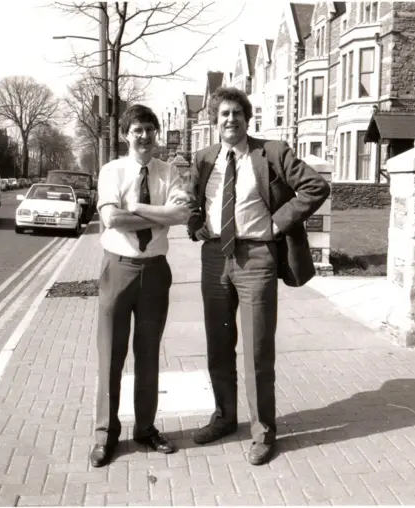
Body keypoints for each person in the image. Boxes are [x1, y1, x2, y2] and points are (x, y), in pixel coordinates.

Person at [187, 87, 330, 465]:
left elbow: (316, 186)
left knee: (257, 350)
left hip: (257, 258)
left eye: (237, 113)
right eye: (223, 114)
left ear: (247, 119)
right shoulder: (203, 158)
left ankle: (263, 431)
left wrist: (277, 223)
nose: (230, 119)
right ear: (215, 122)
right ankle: (224, 417)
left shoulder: (272, 152)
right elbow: (190, 202)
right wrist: (196, 224)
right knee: (218, 344)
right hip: (214, 257)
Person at [91, 104, 192, 468]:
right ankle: (106, 435)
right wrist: (156, 213)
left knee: (148, 356)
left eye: (150, 129)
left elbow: (181, 215)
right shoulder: (112, 170)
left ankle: (146, 429)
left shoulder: (170, 173)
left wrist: (135, 207)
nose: (145, 136)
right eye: (137, 130)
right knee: (111, 356)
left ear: (157, 133)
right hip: (119, 270)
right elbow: (111, 218)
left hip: (155, 272)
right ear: (125, 135)